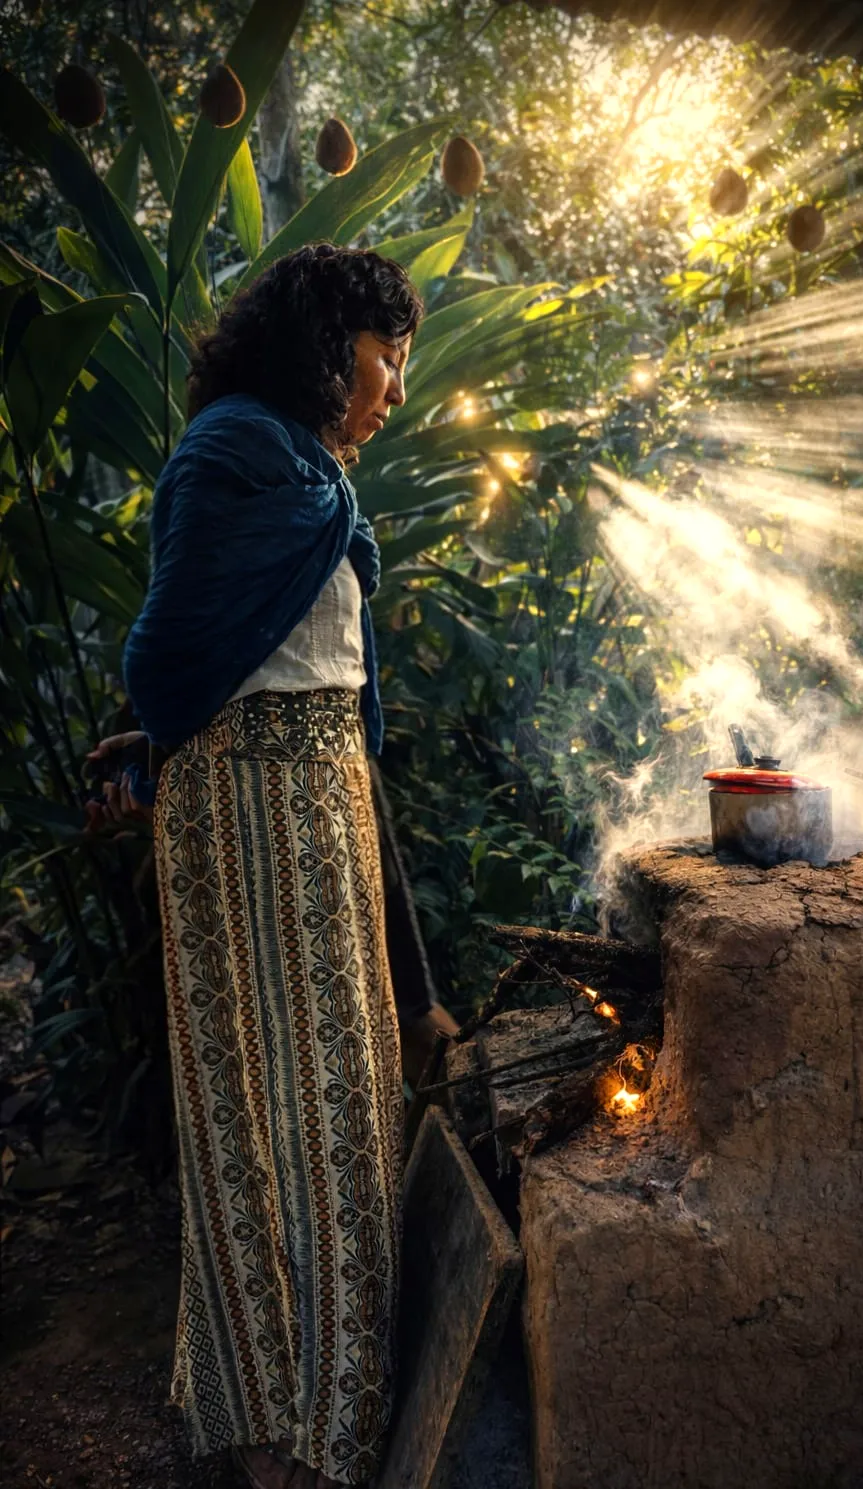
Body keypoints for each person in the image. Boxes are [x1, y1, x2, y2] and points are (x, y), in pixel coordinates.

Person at [86, 244, 457, 1489]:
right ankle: (273, 1429)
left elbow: (288, 666)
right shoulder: (234, 449)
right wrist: (166, 746)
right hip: (249, 823)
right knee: (267, 1113)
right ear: (326, 344)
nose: (396, 386)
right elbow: (177, 653)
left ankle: (329, 1420)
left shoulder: (312, 472)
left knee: (341, 1108)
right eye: (387, 356)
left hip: (321, 814)